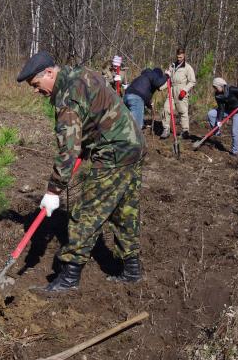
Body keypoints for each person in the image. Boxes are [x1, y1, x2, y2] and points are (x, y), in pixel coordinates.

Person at [17, 51, 144, 292]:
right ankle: (132, 270)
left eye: (35, 84)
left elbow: (68, 151)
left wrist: (53, 190)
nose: (36, 91)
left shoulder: (66, 99)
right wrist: (88, 142)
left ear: (50, 73)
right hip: (133, 144)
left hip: (114, 152)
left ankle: (69, 277)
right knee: (124, 209)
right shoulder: (80, 74)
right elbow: (97, 108)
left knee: (85, 212)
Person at [159, 47, 196, 139]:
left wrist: (185, 90)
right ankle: (166, 129)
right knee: (166, 109)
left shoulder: (187, 67)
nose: (179, 59)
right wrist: (160, 87)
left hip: (181, 90)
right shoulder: (172, 66)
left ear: (184, 56)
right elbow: (169, 80)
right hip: (171, 90)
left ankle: (185, 131)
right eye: (178, 57)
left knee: (182, 111)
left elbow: (192, 81)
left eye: (181, 57)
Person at [208, 77, 238, 156]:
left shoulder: (231, 89)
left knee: (234, 132)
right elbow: (221, 108)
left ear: (220, 86)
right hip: (227, 111)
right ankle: (217, 132)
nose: (215, 89)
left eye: (216, 87)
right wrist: (219, 120)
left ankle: (235, 152)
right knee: (211, 114)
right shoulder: (217, 95)